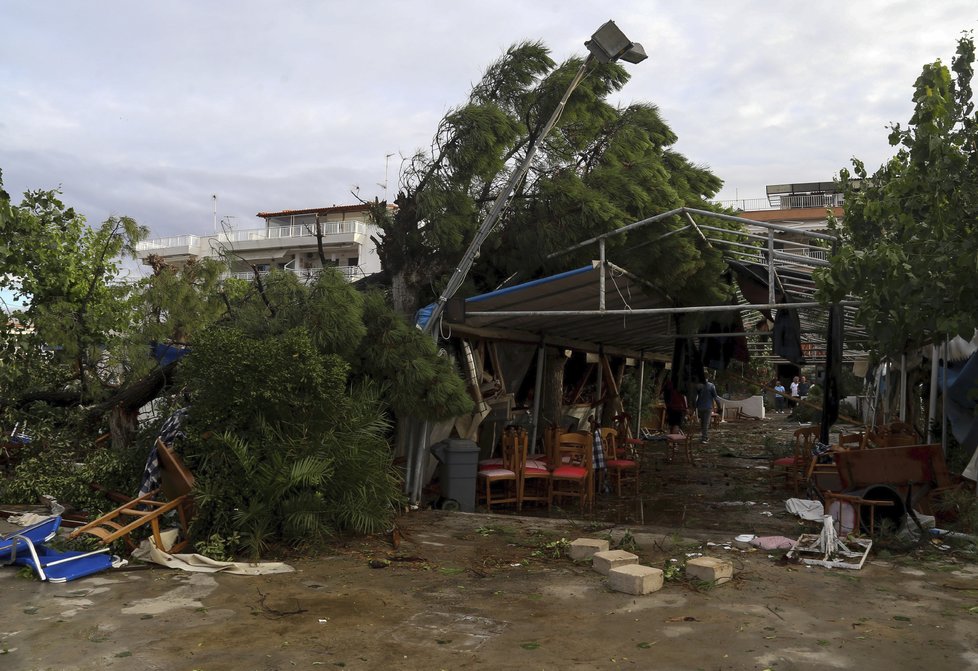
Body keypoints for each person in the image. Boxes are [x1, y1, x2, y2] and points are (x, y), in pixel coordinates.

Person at [695, 378, 722, 443]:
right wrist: (719, 407)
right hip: (707, 407)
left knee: (702, 422)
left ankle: (703, 436)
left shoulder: (698, 385)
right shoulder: (711, 386)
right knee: (706, 423)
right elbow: (716, 397)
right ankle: (704, 438)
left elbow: (695, 396)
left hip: (700, 407)